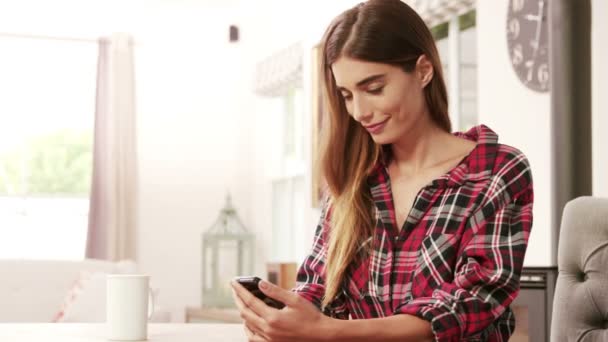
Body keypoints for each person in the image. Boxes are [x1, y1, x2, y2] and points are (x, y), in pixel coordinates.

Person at [231, 0, 533, 341]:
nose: (359, 111)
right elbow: (317, 290)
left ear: (423, 71)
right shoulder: (354, 178)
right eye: (347, 95)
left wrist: (330, 332)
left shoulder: (494, 172)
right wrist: (282, 322)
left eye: (374, 89)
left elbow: (473, 302)